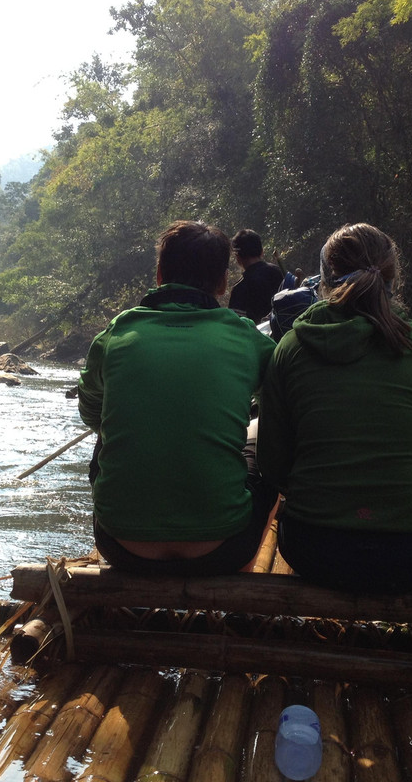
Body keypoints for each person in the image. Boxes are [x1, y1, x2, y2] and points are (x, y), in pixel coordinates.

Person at [258, 222, 412, 592]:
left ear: (323, 280)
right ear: (394, 277)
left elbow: (273, 465)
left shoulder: (292, 347)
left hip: (315, 550)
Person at [78, 220, 278, 575]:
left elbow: (91, 412)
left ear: (159, 275)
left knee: (106, 430)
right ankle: (247, 569)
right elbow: (283, 408)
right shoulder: (247, 338)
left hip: (120, 546)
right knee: (265, 433)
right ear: (223, 283)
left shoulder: (117, 333)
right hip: (223, 550)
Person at [228, 229, 285, 323]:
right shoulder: (278, 272)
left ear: (238, 257)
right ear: (262, 251)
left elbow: (235, 325)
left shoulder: (239, 289)